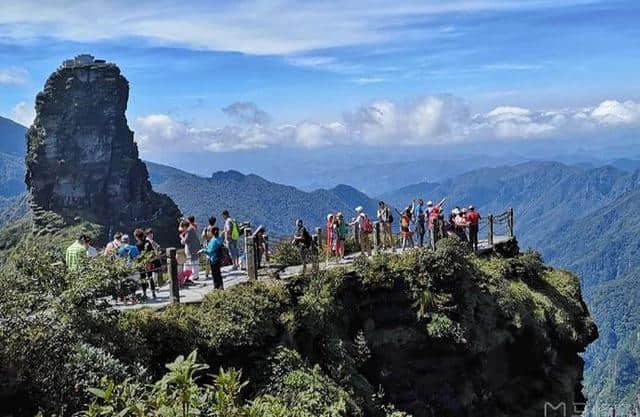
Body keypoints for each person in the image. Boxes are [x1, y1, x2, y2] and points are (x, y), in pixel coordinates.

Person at [134, 228, 156, 299]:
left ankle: (145, 293)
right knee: (150, 277)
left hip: (141, 263)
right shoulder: (147, 242)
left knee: (142, 278)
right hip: (149, 262)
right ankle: (153, 292)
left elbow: (136, 255)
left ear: (136, 237)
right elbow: (152, 251)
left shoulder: (137, 244)